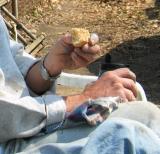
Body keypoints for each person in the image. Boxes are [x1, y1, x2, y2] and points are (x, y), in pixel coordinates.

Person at [1, 14, 159, 154]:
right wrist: (85, 98)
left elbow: (11, 67)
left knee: (147, 115)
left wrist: (49, 66)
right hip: (9, 141)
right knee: (127, 139)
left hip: (26, 127)